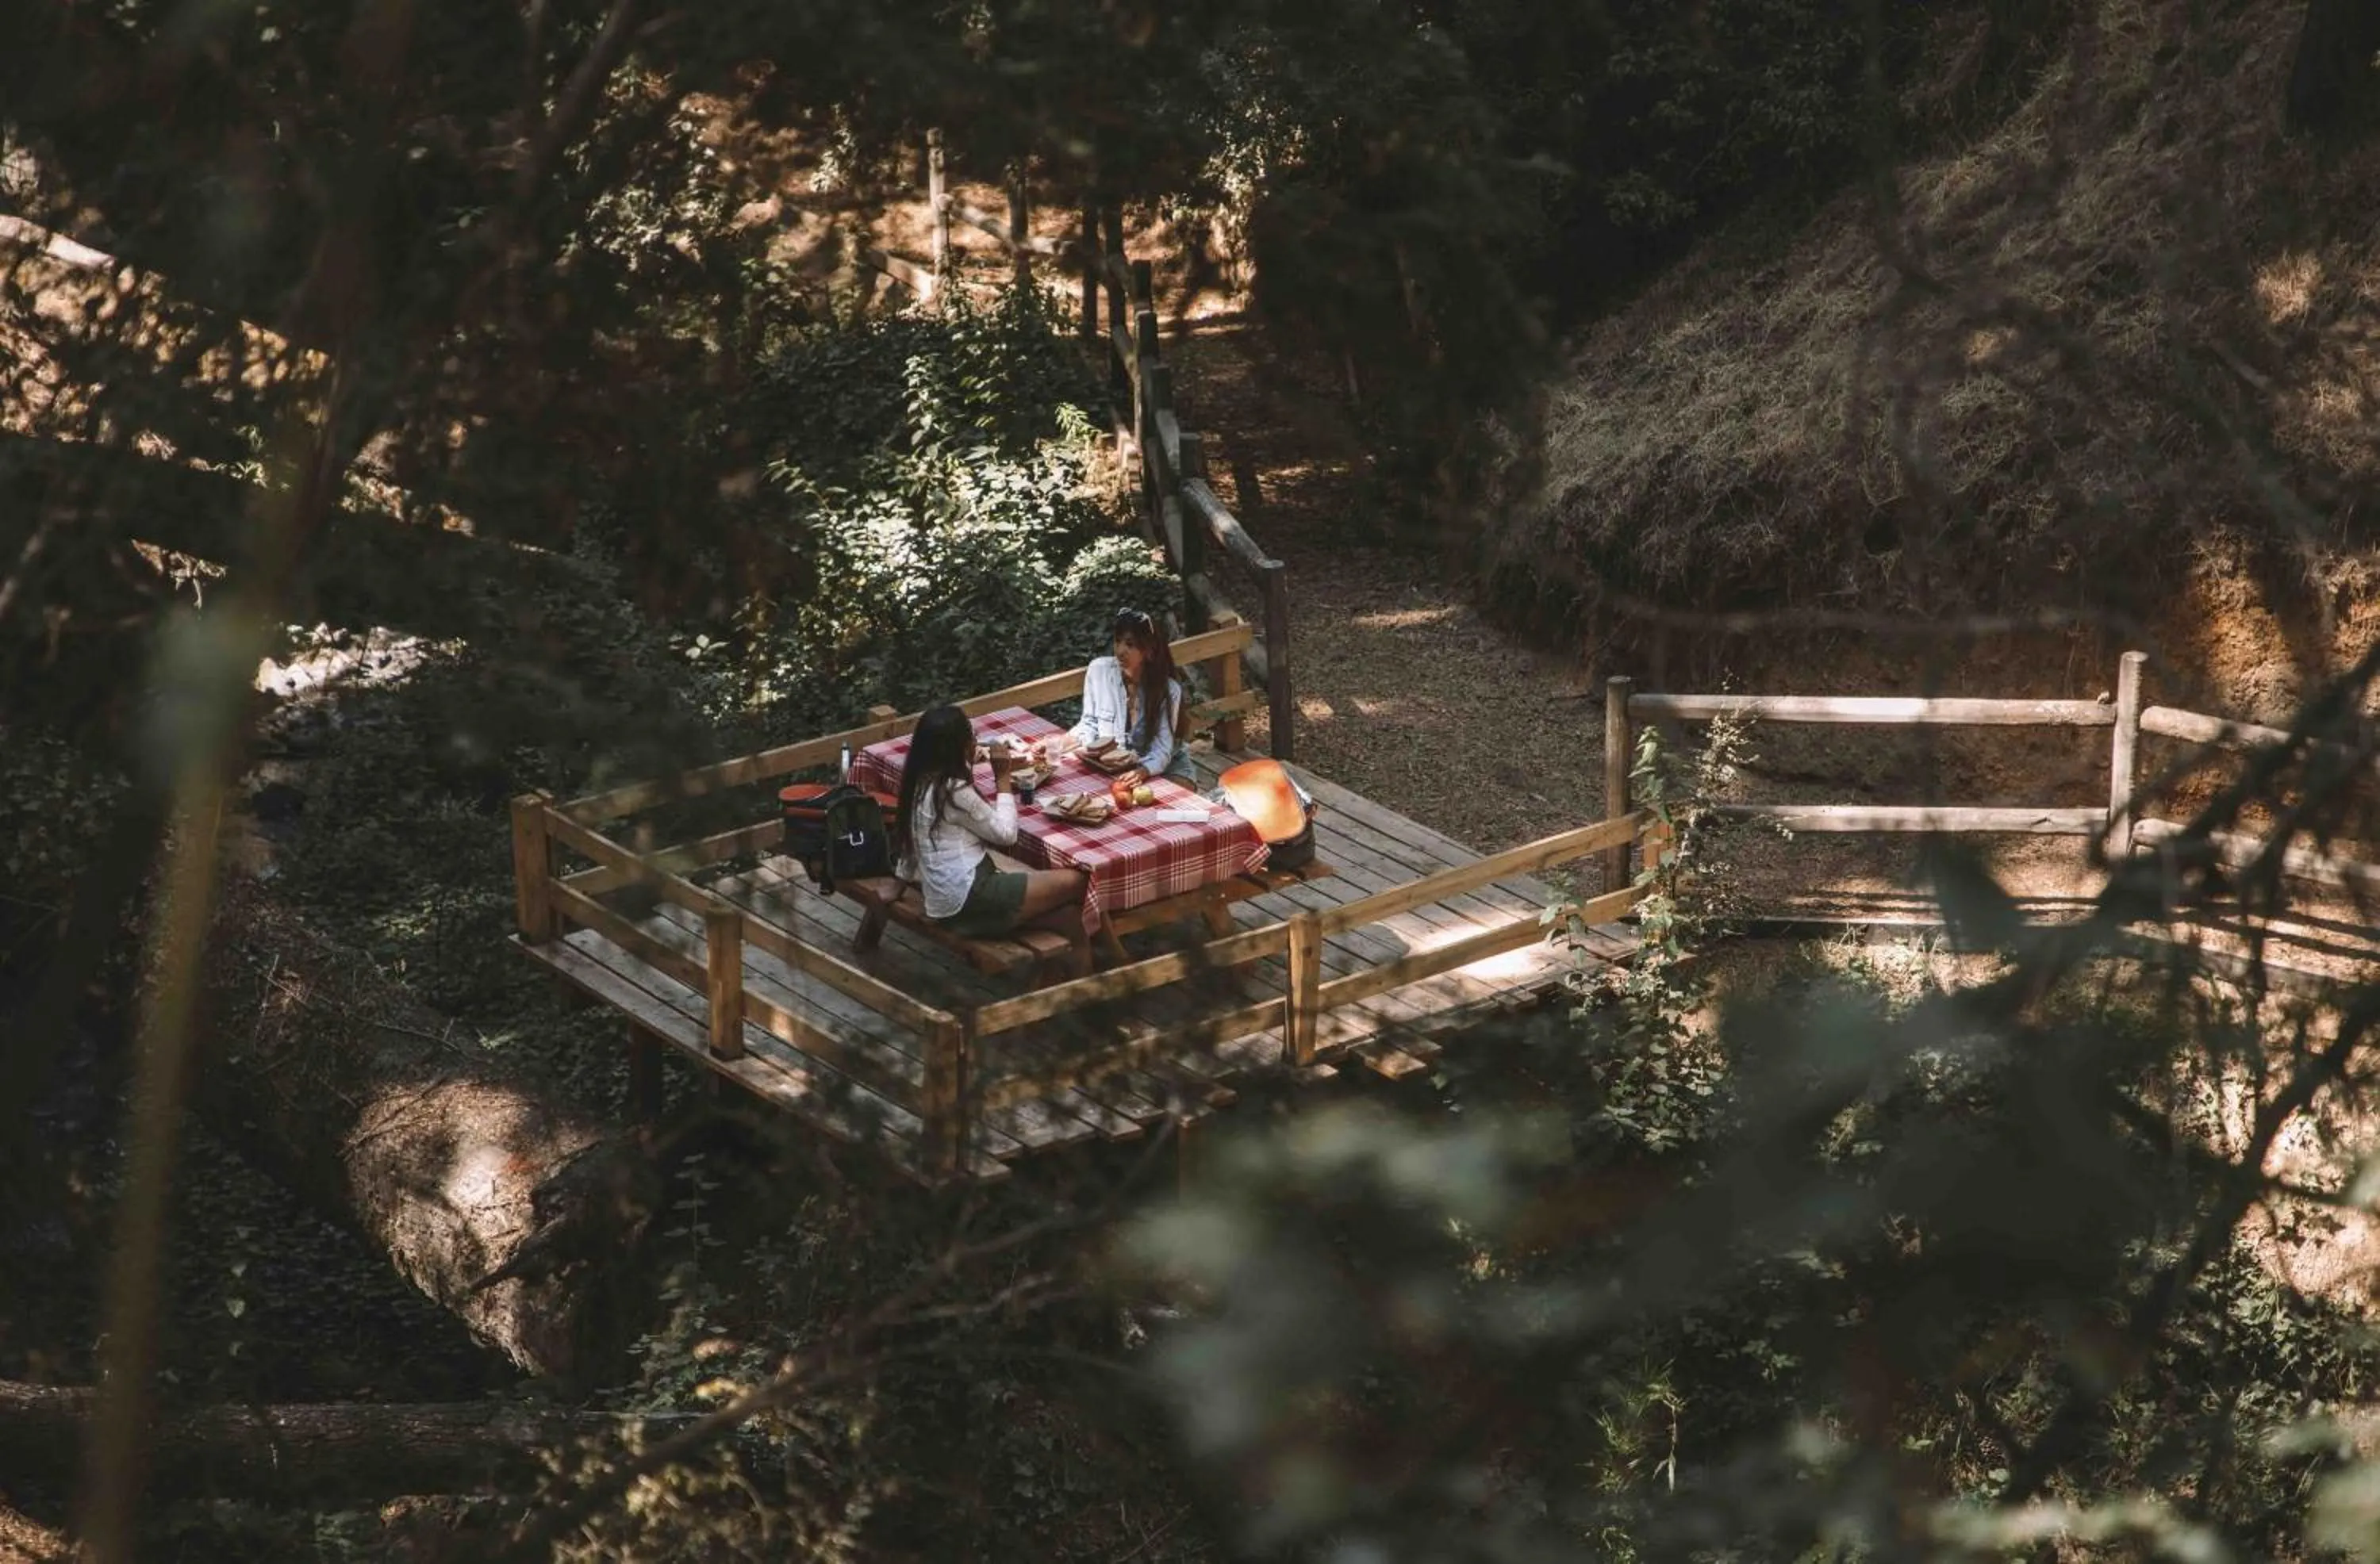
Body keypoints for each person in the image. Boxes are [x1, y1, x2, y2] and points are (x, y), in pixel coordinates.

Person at [892, 705, 1087, 938]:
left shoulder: (918, 782)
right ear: (960, 747)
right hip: (970, 896)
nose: (975, 742)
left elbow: (912, 839)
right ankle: (1120, 961)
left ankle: (1090, 968)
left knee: (1069, 919)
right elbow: (1006, 835)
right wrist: (1002, 778)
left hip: (943, 901)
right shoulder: (954, 791)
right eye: (972, 737)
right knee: (1079, 880)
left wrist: (898, 884)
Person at [1046, 607, 1194, 783]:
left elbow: (1162, 749)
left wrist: (1143, 772)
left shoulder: (1168, 690)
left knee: (1164, 806)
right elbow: (1090, 724)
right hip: (1116, 767)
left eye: (1130, 645)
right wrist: (1056, 745)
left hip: (1166, 766)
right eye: (1118, 641)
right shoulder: (1099, 671)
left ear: (1149, 650)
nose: (1120, 650)